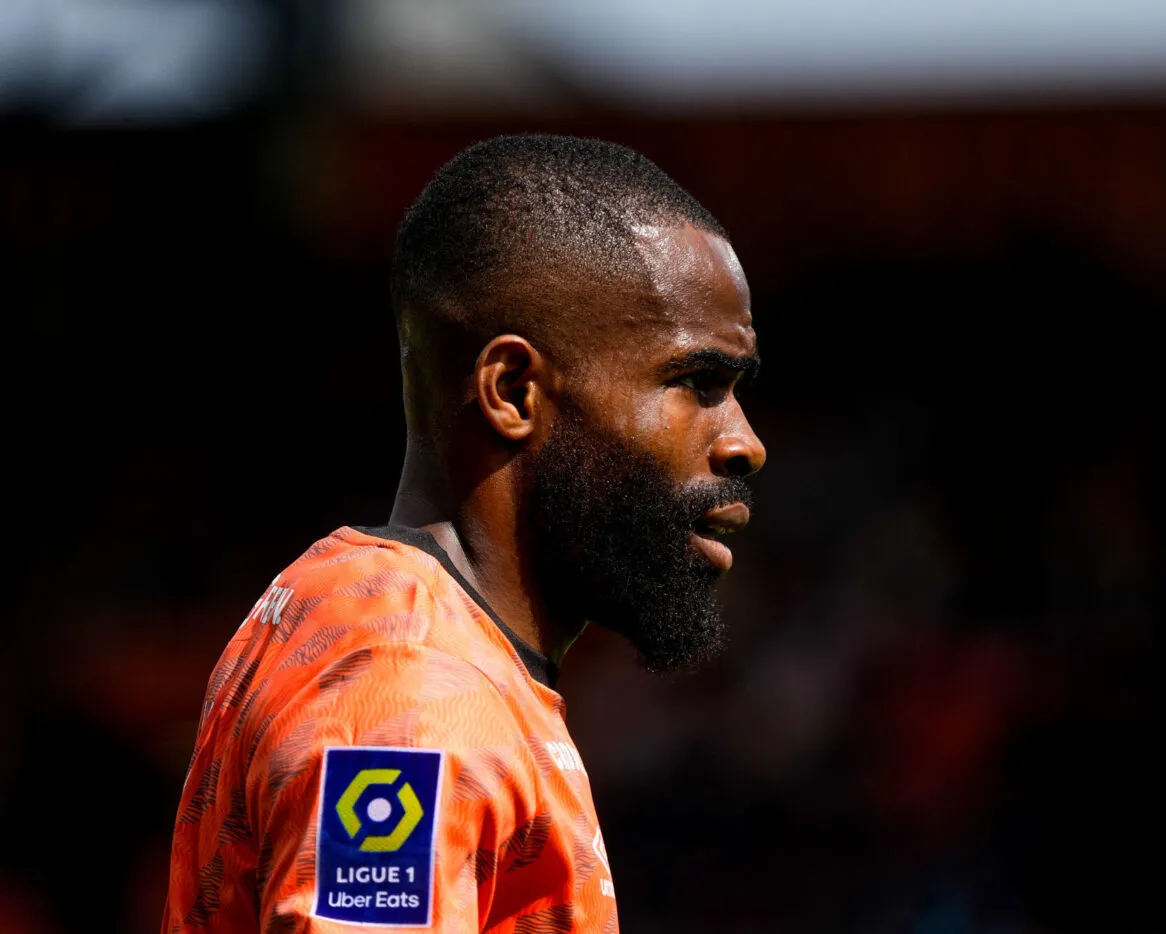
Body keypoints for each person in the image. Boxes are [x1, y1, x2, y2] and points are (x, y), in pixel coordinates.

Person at [163, 135, 766, 933]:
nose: (745, 442)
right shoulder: (408, 694)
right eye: (698, 382)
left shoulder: (392, 634)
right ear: (513, 390)